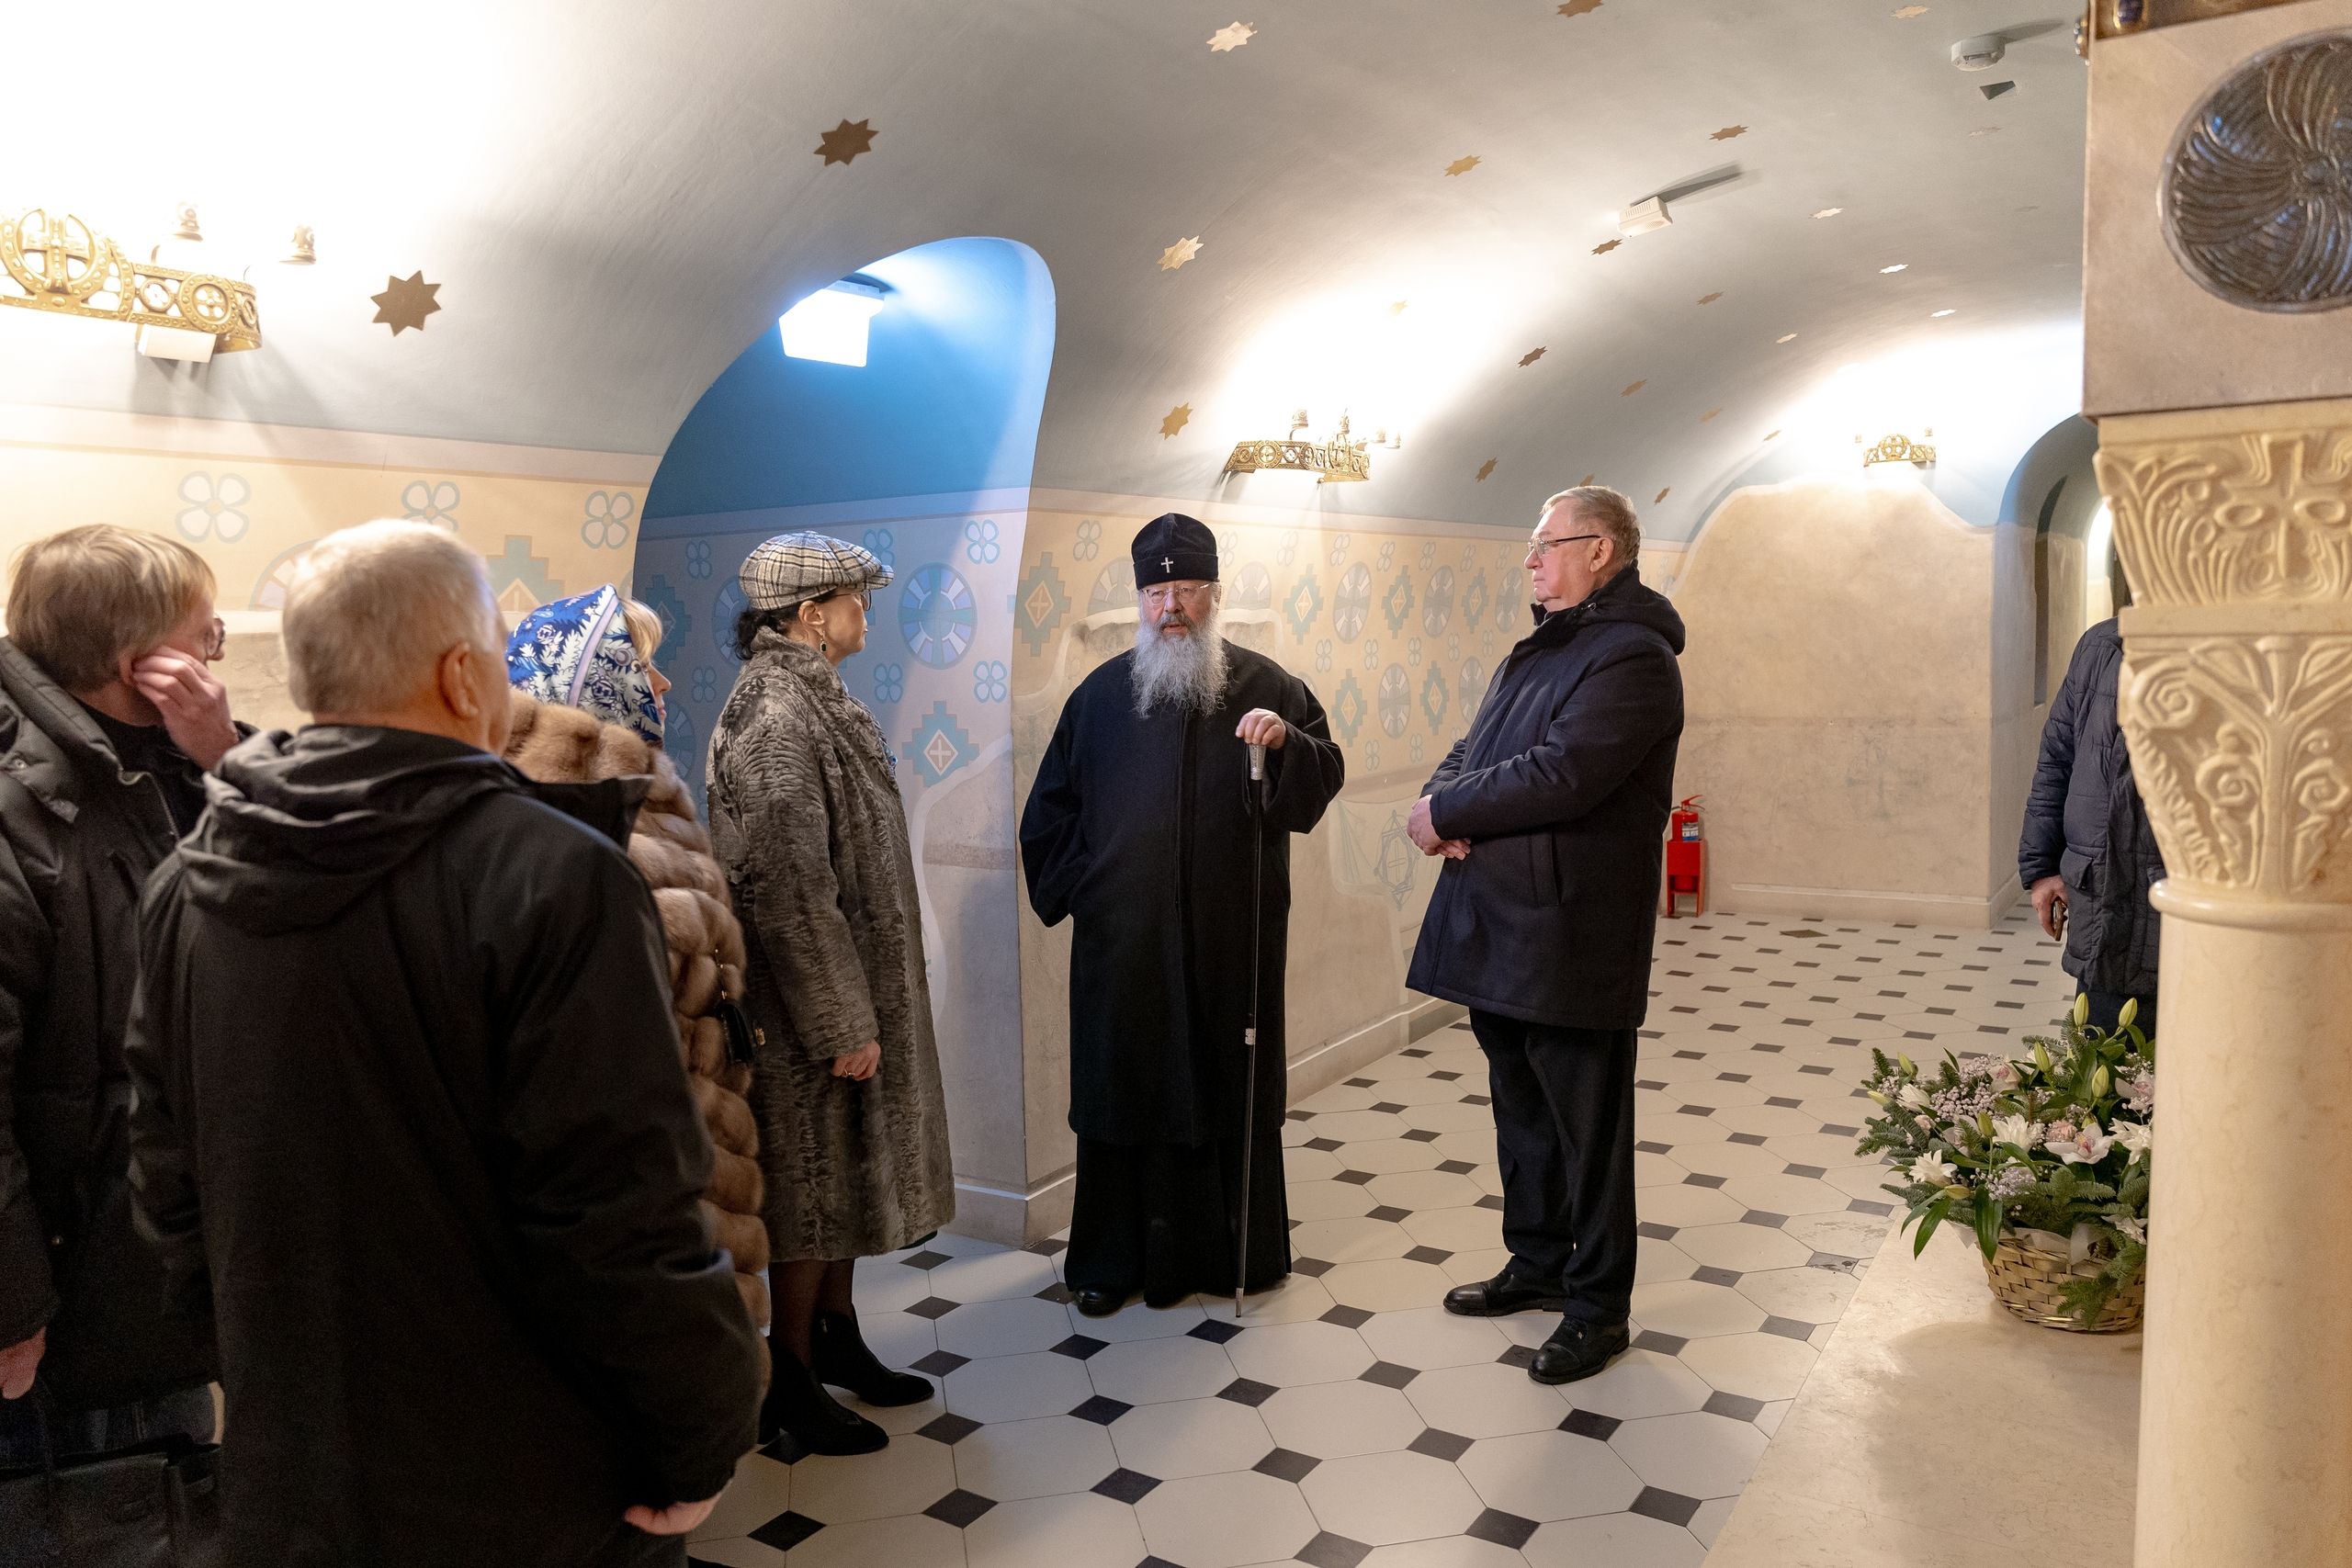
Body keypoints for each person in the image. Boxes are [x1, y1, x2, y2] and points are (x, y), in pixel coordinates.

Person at [124, 522, 761, 1567]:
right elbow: (618, 1208)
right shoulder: (554, 874)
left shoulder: (185, 881)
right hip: (535, 1479)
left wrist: (266, 1377)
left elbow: (166, 1181)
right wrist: (698, 1437)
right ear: (464, 675)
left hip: (298, 1476)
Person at [1020, 513, 1345, 1317]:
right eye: (1157, 591)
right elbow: (1048, 816)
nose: (1172, 606)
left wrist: (1287, 746)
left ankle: (1233, 1254)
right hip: (1122, 949)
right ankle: (1109, 1262)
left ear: (1214, 595)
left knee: (1224, 1088)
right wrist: (1092, 890)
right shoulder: (1098, 698)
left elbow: (1324, 772)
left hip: (1231, 946)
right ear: (1140, 599)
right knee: (1123, 1092)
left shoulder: (1270, 687)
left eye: (1188, 589)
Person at [1405, 485, 1685, 1386]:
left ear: (1600, 550)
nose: (1530, 558)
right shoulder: (1544, 645)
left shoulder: (1635, 657)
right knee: (1521, 1108)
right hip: (1499, 919)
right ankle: (1537, 1262)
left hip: (1572, 930)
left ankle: (1597, 1308)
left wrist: (1450, 809)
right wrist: (1439, 800)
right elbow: (1476, 745)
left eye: (1547, 542)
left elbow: (1565, 774)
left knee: (1586, 1129)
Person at [707, 532, 954, 1457]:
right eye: (856, 599)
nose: (866, 613)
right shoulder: (776, 714)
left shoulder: (815, 695)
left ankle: (837, 1338)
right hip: (804, 1011)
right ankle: (790, 1381)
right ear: (812, 616)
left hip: (847, 994)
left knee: (845, 1176)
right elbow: (790, 886)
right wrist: (842, 1020)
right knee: (810, 1191)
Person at [0, 525, 229, 1472]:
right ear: (140, 662)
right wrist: (12, 1305)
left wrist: (224, 758)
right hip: (65, 1286)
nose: (217, 647)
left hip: (150, 1259)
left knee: (177, 1496)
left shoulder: (171, 761)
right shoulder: (23, 807)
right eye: (205, 632)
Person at [503, 585, 771, 1337]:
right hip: (658, 1140)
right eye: (643, 662)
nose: (663, 681)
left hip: (697, 1114)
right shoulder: (576, 814)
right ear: (598, 675)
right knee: (680, 1331)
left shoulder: (638, 789)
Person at [2019, 617, 2164, 1034]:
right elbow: (2057, 758)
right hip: (2103, 903)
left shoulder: (2244, 644)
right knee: (2101, 1053)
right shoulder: (2101, 644)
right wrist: (2042, 868)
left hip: (2180, 910)